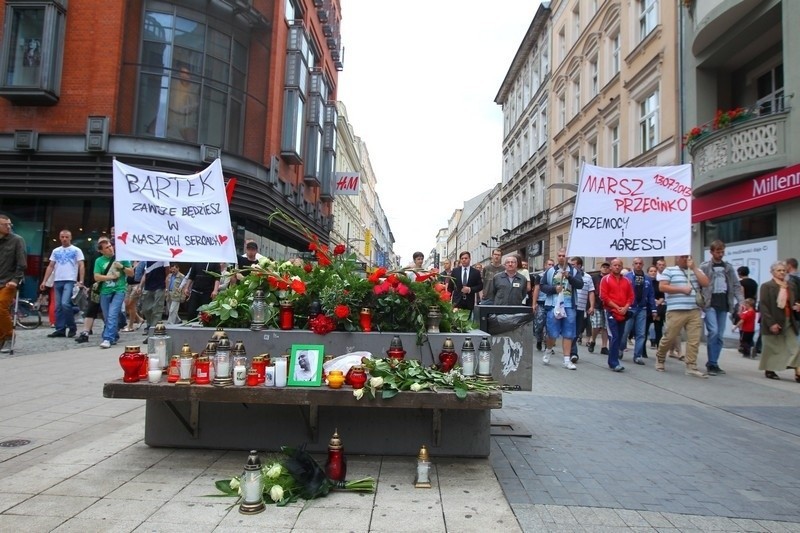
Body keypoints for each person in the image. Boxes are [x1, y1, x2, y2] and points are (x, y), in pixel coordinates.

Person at [654, 255, 710, 378]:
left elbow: (706, 282)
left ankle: (691, 366)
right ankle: (661, 357)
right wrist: (682, 289)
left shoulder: (695, 270)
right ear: (677, 259)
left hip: (694, 310)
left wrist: (694, 268)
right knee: (670, 337)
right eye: (683, 257)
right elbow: (662, 287)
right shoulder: (670, 270)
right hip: (676, 310)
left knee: (694, 340)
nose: (685, 259)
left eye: (687, 257)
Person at [699, 240, 744, 376]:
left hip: (724, 303)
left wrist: (741, 301)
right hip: (709, 303)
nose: (720, 254)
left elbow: (736, 285)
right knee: (713, 331)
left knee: (719, 335)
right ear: (711, 252)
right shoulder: (705, 266)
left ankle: (713, 362)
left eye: (722, 252)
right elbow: (699, 283)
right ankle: (712, 363)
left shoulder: (728, 268)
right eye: (718, 252)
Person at [540, 248, 584, 370]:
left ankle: (566, 359)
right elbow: (542, 286)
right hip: (553, 305)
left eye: (563, 255)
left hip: (569, 305)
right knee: (552, 333)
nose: (561, 257)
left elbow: (580, 285)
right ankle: (548, 350)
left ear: (567, 257)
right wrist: (554, 289)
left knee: (568, 333)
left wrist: (569, 277)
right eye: (559, 255)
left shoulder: (574, 271)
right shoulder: (550, 271)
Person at [758, 261, 800, 381]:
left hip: (789, 320)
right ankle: (770, 369)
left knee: (796, 347)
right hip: (774, 320)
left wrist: (797, 304)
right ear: (772, 272)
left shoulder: (790, 286)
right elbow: (764, 306)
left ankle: (797, 371)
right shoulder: (767, 286)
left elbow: (796, 300)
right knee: (772, 347)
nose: (782, 272)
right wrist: (771, 323)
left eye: (783, 270)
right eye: (779, 270)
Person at [40, 229, 85, 338]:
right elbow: (51, 266)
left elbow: (81, 265)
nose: (64, 239)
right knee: (58, 306)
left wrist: (81, 280)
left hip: (70, 279)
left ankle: (71, 326)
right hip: (58, 279)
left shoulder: (76, 250)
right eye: (62, 237)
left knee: (65, 303)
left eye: (66, 237)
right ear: (60, 238)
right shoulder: (56, 251)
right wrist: (44, 280)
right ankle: (60, 328)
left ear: (70, 238)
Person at [94, 240, 133, 349]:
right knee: (107, 316)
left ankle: (107, 338)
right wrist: (111, 277)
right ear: (101, 251)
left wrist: (121, 267)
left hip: (119, 290)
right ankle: (114, 334)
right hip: (105, 291)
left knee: (112, 314)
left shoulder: (122, 257)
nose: (110, 248)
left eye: (110, 246)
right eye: (106, 247)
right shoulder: (99, 261)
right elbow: (96, 277)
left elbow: (131, 273)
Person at [599, 258, 633, 372]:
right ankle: (614, 363)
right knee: (614, 336)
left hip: (623, 313)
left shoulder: (627, 281)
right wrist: (616, 307)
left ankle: (613, 360)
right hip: (610, 312)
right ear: (611, 267)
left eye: (619, 265)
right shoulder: (606, 279)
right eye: (615, 265)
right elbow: (604, 296)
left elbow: (631, 296)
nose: (617, 267)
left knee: (620, 336)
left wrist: (625, 307)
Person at [622, 257, 657, 365]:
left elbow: (651, 295)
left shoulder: (647, 279)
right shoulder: (627, 277)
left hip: (642, 308)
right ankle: (620, 349)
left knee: (641, 334)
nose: (638, 265)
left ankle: (637, 355)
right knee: (625, 332)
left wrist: (654, 309)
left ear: (642, 265)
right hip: (630, 308)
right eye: (636, 263)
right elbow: (623, 293)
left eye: (640, 263)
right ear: (633, 264)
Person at [75, 237, 110, 344]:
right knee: (91, 308)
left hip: (110, 288)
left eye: (107, 244)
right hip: (96, 287)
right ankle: (85, 332)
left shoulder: (114, 258)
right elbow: (91, 272)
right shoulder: (96, 258)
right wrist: (88, 285)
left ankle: (110, 329)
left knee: (107, 312)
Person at [0, 214, 27, 354]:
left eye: (10, 224)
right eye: (6, 225)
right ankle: (2, 337)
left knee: (1, 307)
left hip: (8, 281)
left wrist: (15, 280)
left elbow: (22, 263)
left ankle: (10, 335)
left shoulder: (17, 240)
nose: (9, 227)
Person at [569, 257, 595, 364]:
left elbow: (591, 292)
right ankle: (573, 352)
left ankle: (571, 350)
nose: (571, 266)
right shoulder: (568, 276)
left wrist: (592, 306)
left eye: (573, 264)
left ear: (579, 265)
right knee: (570, 330)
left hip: (581, 307)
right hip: (570, 307)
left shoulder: (588, 277)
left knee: (577, 331)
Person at [139, 260, 169, 337]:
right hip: (148, 286)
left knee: (157, 310)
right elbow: (145, 273)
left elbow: (167, 273)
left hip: (160, 286)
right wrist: (140, 286)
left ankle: (153, 333)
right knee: (145, 309)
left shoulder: (163, 257)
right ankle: (150, 325)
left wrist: (166, 288)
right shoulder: (147, 258)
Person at [451, 251, 482, 320]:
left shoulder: (475, 272)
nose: (464, 260)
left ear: (470, 259)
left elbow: (480, 286)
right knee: (456, 321)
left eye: (466, 258)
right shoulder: (455, 271)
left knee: (466, 322)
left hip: (469, 301)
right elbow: (450, 286)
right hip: (457, 301)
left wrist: (470, 289)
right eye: (462, 258)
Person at [532, 258, 555, 351]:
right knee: (539, 325)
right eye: (549, 264)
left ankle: (548, 345)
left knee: (550, 326)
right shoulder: (540, 276)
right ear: (545, 266)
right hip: (541, 303)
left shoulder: (556, 276)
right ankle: (539, 339)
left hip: (551, 303)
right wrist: (534, 303)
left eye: (552, 265)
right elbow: (536, 289)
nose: (551, 266)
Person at [588, 262, 610, 356]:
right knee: (596, 325)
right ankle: (593, 340)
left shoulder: (610, 278)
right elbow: (591, 291)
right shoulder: (594, 278)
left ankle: (604, 346)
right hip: (597, 304)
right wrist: (590, 306)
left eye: (607, 267)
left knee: (605, 326)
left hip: (607, 305)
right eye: (603, 267)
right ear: (600, 268)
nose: (605, 269)